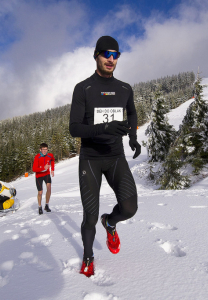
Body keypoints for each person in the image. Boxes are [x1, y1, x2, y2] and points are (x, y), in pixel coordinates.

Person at [69, 36, 141, 277]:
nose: (111, 59)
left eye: (115, 55)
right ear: (96, 56)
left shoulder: (124, 88)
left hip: (115, 157)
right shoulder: (83, 88)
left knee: (130, 208)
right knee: (89, 216)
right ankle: (88, 256)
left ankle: (110, 222)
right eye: (106, 54)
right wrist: (104, 128)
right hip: (90, 159)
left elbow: (131, 112)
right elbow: (74, 128)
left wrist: (132, 137)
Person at [32, 143, 55, 215]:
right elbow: (34, 169)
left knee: (49, 189)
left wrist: (52, 169)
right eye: (43, 149)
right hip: (39, 176)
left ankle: (47, 205)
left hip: (47, 174)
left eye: (46, 149)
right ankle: (39, 207)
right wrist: (43, 168)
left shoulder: (50, 155)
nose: (45, 151)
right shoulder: (37, 157)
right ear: (40, 149)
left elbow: (53, 160)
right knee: (40, 192)